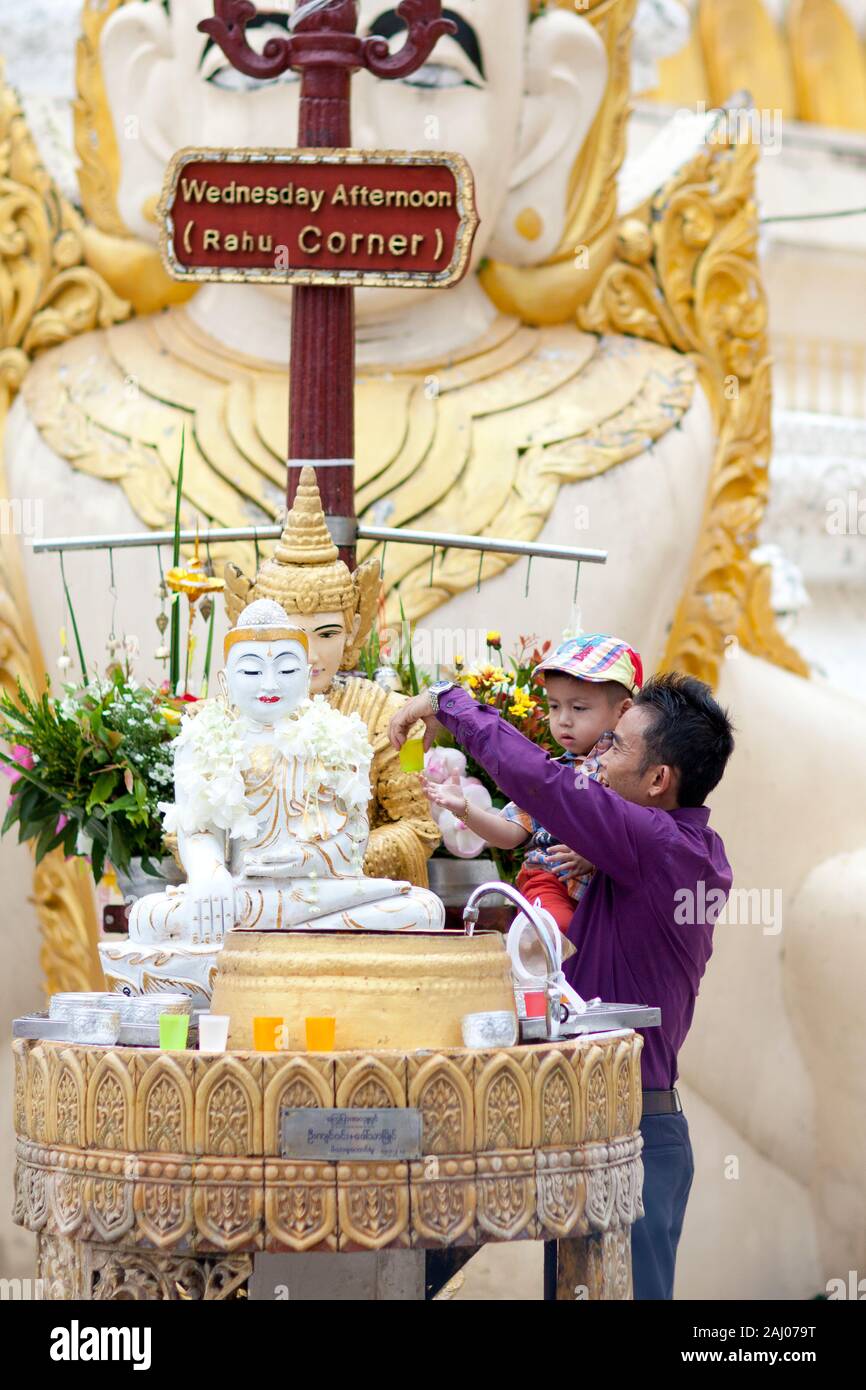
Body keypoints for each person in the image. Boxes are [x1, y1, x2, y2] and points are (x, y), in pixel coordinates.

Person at [389, 670, 735, 1301]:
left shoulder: (661, 847)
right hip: (588, 1115)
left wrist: (451, 704)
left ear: (659, 781)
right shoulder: (662, 848)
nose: (597, 753)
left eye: (617, 746)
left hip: (633, 1133)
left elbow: (546, 785)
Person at [423, 634, 642, 932]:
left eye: (578, 708)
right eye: (554, 707)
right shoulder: (551, 773)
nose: (563, 719)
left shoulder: (634, 775)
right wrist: (464, 809)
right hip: (551, 881)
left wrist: (596, 854)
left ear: (624, 711)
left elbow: (641, 835)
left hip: (607, 893)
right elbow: (512, 833)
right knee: (555, 930)